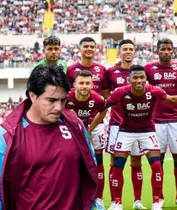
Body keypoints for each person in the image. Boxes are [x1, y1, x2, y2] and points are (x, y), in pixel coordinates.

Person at [0, 64, 97, 209]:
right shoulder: (7, 135)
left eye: (62, 100)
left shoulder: (75, 126)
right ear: (33, 96)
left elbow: (89, 169)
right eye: (51, 100)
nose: (59, 107)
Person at [91, 65, 177, 210]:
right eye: (135, 78)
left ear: (146, 79)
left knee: (156, 165)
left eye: (141, 77)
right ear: (129, 79)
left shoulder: (154, 91)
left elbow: (173, 99)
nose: (139, 81)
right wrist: (90, 126)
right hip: (125, 132)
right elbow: (102, 107)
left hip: (147, 132)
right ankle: (117, 202)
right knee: (117, 167)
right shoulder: (120, 92)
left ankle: (156, 202)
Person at [100, 39, 148, 210]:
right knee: (114, 163)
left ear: (134, 52)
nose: (128, 52)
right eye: (125, 49)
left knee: (136, 162)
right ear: (119, 52)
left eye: (131, 49)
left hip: (138, 126)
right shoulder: (111, 72)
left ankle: (137, 200)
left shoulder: (142, 71)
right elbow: (107, 96)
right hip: (117, 125)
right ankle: (115, 202)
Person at [144, 38, 177, 207]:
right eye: (162, 49)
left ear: (172, 51)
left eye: (169, 49)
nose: (166, 52)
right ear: (157, 51)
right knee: (158, 159)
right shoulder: (149, 68)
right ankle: (159, 197)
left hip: (176, 119)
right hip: (156, 120)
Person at [66, 37, 108, 209]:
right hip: (71, 128)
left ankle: (97, 198)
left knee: (97, 161)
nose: (89, 49)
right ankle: (70, 196)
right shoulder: (70, 70)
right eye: (86, 46)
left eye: (92, 46)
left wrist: (90, 128)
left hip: (92, 125)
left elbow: (104, 102)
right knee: (70, 161)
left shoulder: (101, 69)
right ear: (80, 48)